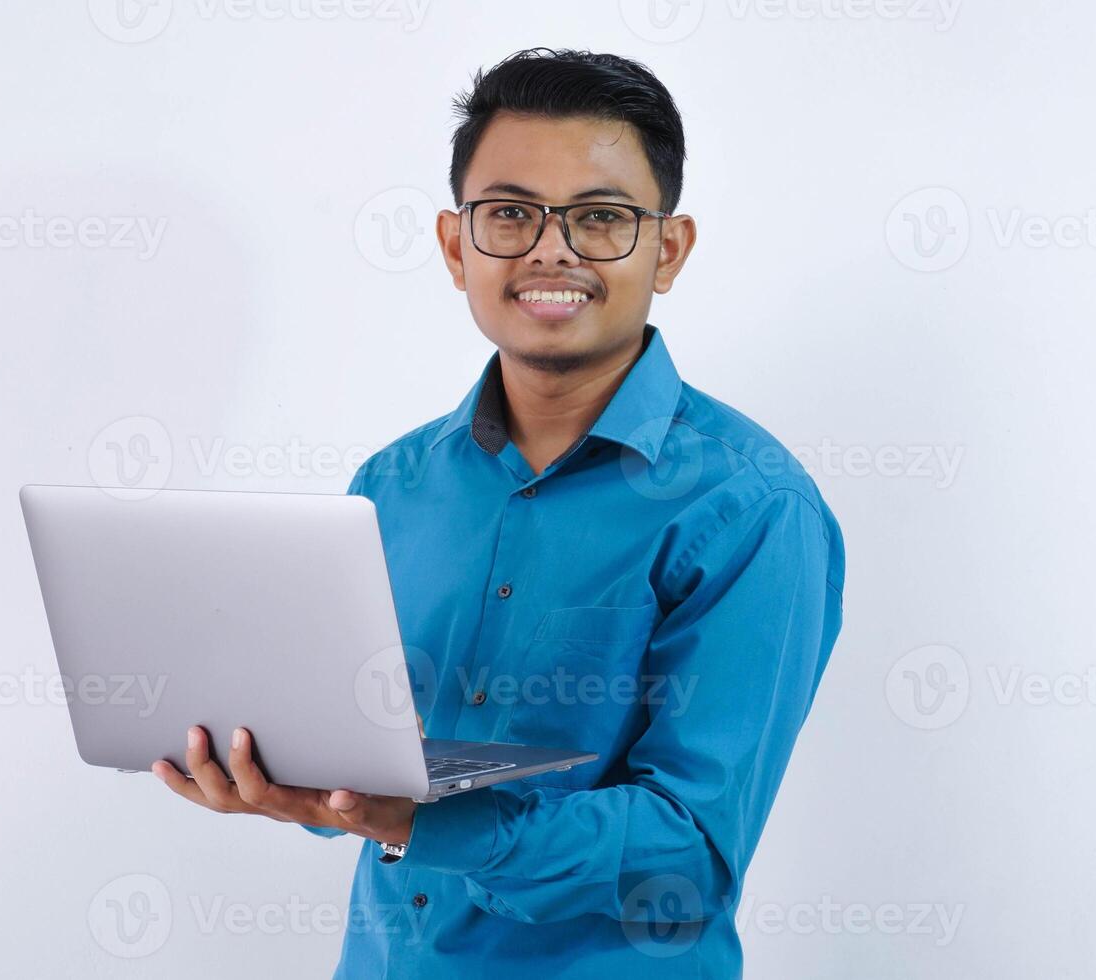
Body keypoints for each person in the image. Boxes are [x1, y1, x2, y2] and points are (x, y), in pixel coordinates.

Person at [151, 46, 846, 978]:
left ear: (667, 250)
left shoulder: (752, 507)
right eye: (510, 214)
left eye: (600, 218)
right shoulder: (391, 486)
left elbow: (692, 848)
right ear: (455, 245)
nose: (550, 250)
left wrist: (429, 822)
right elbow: (365, 762)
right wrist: (278, 775)